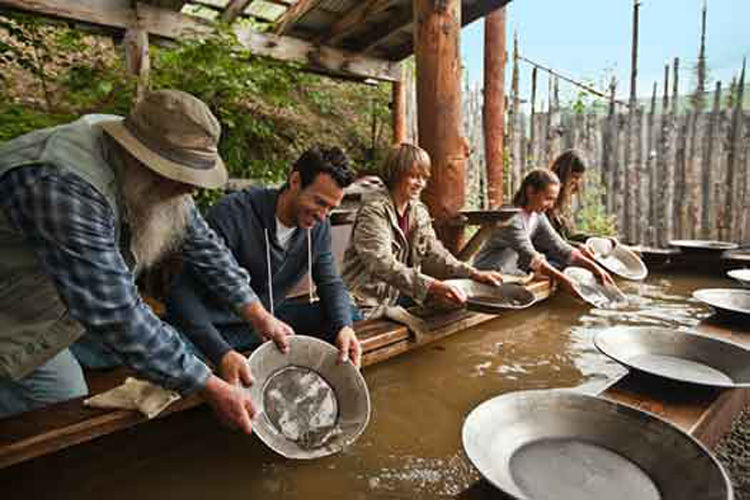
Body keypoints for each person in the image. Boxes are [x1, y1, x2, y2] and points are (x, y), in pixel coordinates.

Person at [0, 90, 260, 432]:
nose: (191, 190)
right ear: (143, 158)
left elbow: (201, 240)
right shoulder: (61, 185)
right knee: (64, 408)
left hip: (46, 300)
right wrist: (207, 386)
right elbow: (113, 309)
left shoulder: (154, 171)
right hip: (12, 310)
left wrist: (255, 311)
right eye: (182, 176)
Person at [166, 146, 362, 385]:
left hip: (263, 327)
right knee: (170, 352)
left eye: (331, 208)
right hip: (212, 327)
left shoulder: (319, 228)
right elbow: (180, 295)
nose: (323, 215)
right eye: (319, 202)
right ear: (295, 180)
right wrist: (220, 352)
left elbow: (331, 282)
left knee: (347, 315)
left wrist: (344, 327)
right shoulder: (232, 213)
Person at [341, 143, 504, 319]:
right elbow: (381, 263)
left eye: (424, 178)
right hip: (362, 301)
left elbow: (435, 252)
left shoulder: (418, 211)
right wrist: (432, 285)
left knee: (451, 306)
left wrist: (473, 273)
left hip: (395, 296)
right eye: (414, 176)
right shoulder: (374, 210)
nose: (420, 184)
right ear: (395, 173)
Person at [473, 168, 614, 297]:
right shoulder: (509, 217)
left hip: (511, 274)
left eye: (553, 199)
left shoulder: (537, 216)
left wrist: (595, 268)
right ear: (530, 191)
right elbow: (531, 256)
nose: (551, 205)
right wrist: (566, 282)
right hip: (487, 274)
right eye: (548, 198)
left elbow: (559, 247)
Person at [547, 149, 589, 242]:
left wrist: (601, 239)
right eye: (574, 177)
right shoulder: (547, 203)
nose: (577, 184)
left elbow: (570, 235)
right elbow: (554, 243)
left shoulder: (564, 204)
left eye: (579, 178)